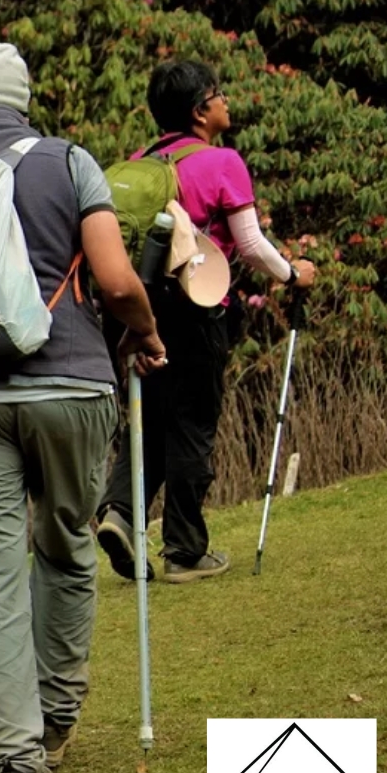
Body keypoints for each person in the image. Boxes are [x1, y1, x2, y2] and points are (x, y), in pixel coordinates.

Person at [0, 40, 166, 773]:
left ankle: (12, 769)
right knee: (63, 548)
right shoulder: (67, 161)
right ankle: (55, 719)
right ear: (25, 97)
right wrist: (143, 331)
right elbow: (115, 279)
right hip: (69, 380)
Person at [93, 60, 317, 585]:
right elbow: (250, 245)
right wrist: (293, 274)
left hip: (137, 309)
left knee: (149, 419)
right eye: (218, 95)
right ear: (200, 111)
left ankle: (120, 513)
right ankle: (185, 552)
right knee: (193, 421)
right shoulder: (221, 162)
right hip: (196, 307)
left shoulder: (138, 163)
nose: (225, 103)